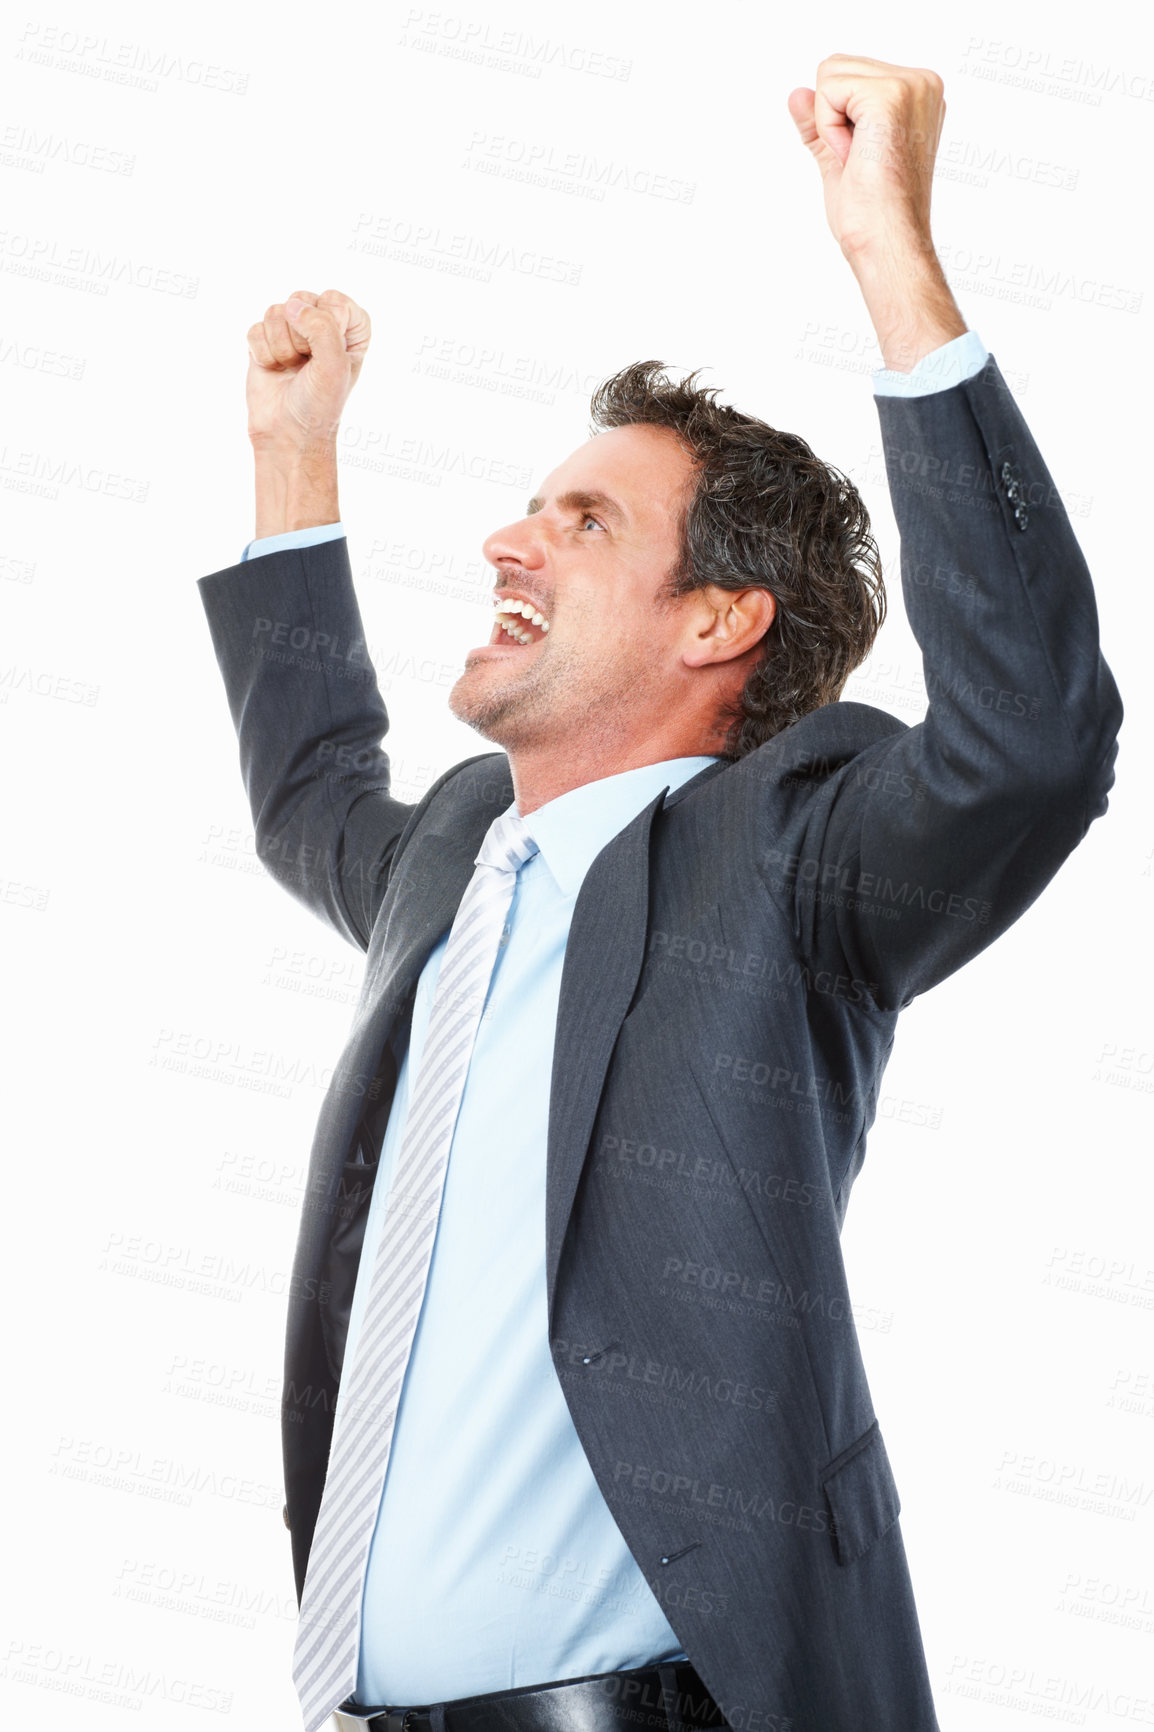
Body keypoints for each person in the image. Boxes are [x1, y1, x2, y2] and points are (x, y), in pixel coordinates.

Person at [197, 53, 1122, 1732]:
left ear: (716, 624)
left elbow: (1030, 746)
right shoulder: (456, 851)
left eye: (583, 519)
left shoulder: (786, 851)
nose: (508, 540)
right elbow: (309, 794)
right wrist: (292, 460)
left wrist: (890, 255)